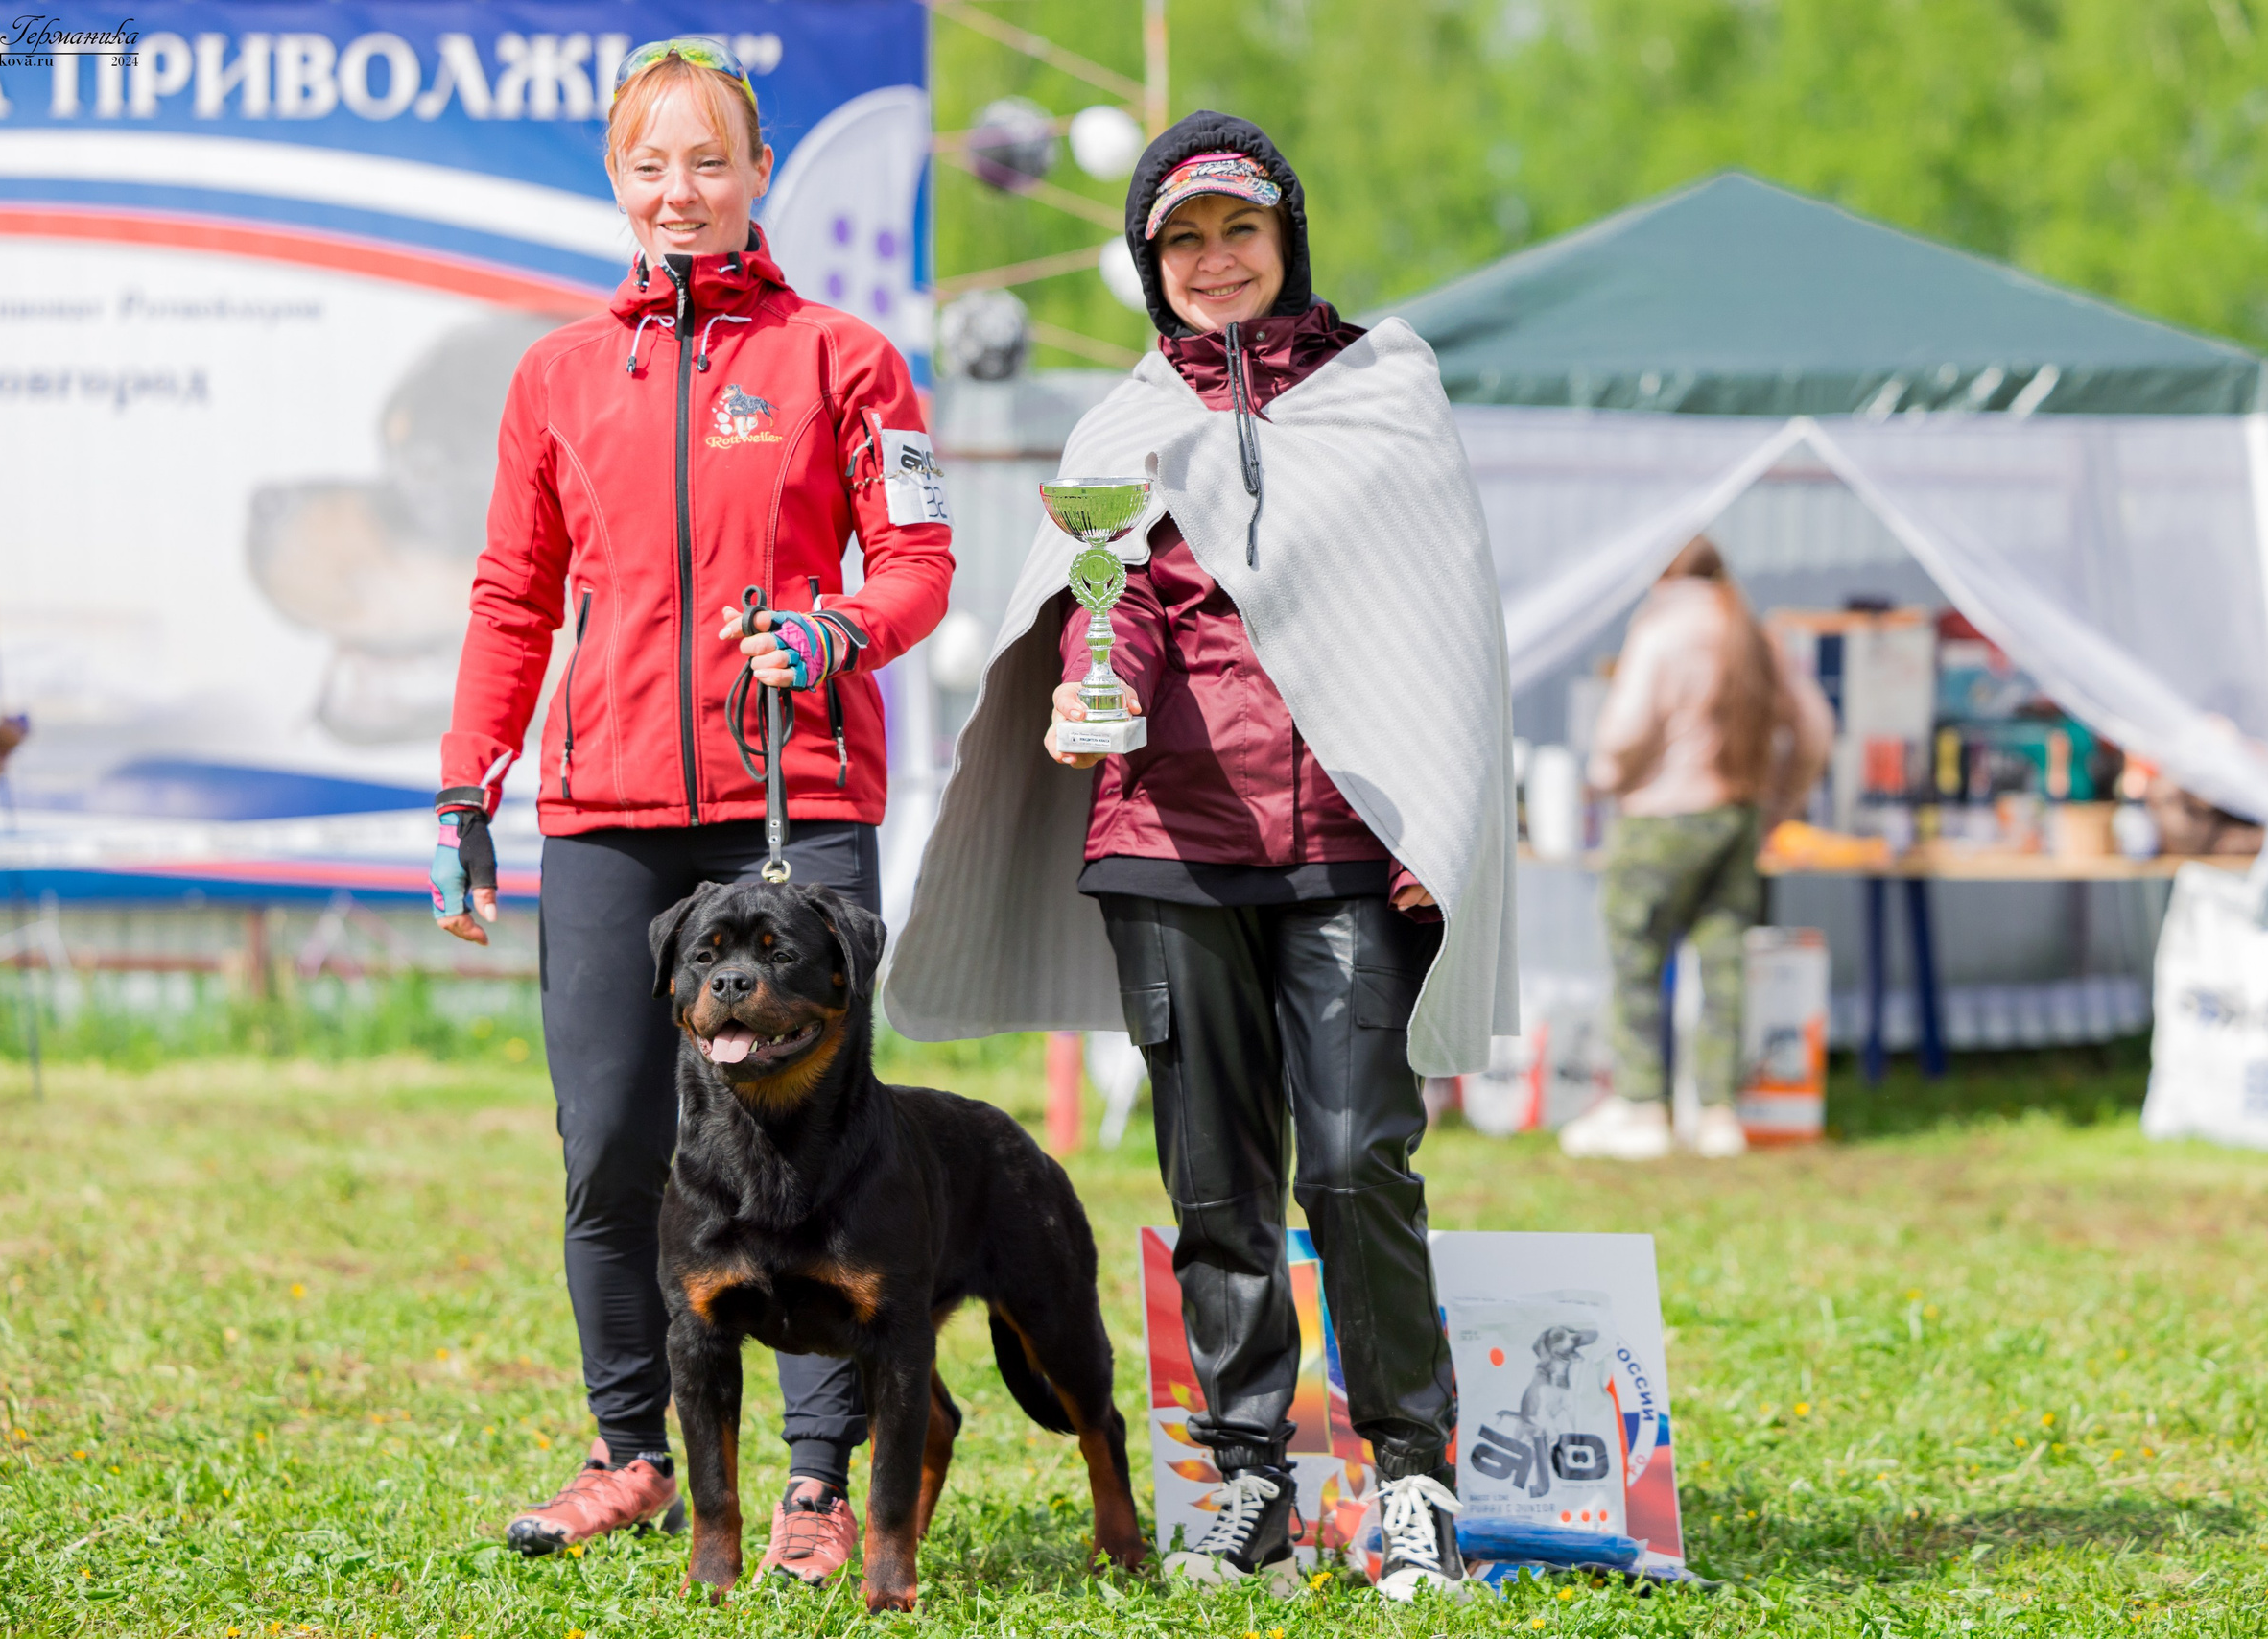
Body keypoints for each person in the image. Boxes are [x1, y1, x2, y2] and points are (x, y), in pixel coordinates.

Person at [884, 111, 1519, 1603]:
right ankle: (1250, 1482)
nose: (1215, 261)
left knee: (1361, 1160)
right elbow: (1096, 607)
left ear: (1288, 237)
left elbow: (1447, 637)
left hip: (1347, 853)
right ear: (1148, 265)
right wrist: (1074, 688)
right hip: (1165, 847)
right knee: (1215, 1179)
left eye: (1240, 230)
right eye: (1183, 240)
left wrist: (1444, 823)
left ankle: (1412, 1475)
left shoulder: (1388, 393)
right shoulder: (1116, 428)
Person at [429, 37, 953, 1584]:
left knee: (820, 1164)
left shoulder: (847, 359)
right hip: (607, 820)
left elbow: (917, 564)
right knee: (609, 1150)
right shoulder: (557, 376)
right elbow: (513, 597)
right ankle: (631, 1455)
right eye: (650, 164)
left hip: (794, 808)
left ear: (757, 175)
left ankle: (808, 1485)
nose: (680, 191)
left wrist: (837, 630)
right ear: (616, 181)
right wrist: (471, 779)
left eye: (708, 160)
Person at [1560, 537, 1831, 1162]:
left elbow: (1624, 733)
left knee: (1634, 957)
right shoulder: (1753, 632)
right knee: (1724, 962)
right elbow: (1814, 729)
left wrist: (1604, 777)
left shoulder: (1661, 629)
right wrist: (1778, 805)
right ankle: (1717, 1113)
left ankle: (1640, 1106)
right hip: (1738, 816)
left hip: (1662, 817)